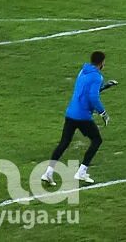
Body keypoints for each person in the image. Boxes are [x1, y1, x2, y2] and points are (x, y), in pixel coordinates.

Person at [42, 51, 110, 186]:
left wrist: (105, 87)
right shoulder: (97, 77)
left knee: (64, 143)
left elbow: (85, 93)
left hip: (71, 113)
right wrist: (103, 113)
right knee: (97, 140)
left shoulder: (82, 71)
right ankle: (81, 172)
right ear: (101, 62)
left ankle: (48, 172)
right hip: (83, 116)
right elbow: (93, 97)